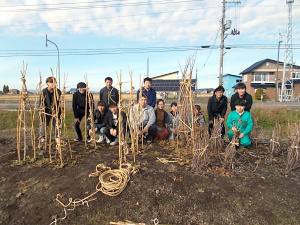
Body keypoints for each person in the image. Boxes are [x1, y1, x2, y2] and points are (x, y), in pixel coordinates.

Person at [39, 76, 61, 143]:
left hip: (55, 111)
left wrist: (58, 111)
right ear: (48, 83)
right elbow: (41, 103)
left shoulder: (58, 91)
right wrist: (42, 111)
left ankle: (57, 137)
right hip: (46, 111)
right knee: (44, 124)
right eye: (52, 82)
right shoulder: (44, 92)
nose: (54, 84)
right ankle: (43, 137)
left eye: (55, 82)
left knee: (56, 124)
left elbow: (59, 102)